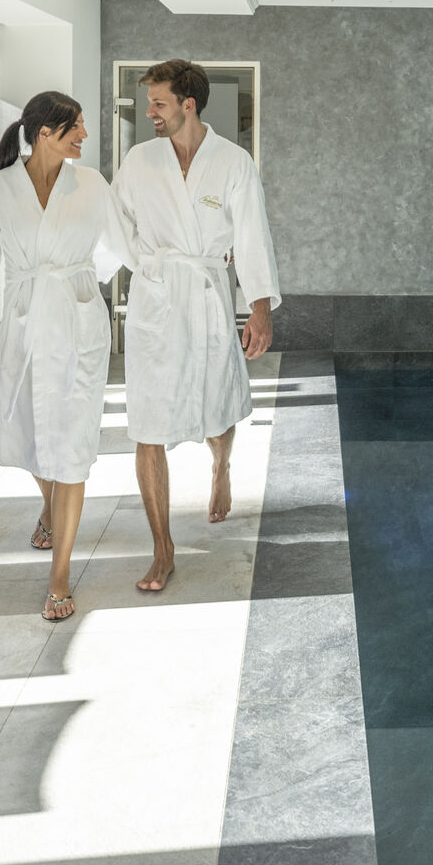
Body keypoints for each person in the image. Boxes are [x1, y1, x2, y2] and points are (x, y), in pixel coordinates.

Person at [0, 91, 129, 622]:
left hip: (79, 325)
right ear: (45, 133)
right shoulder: (0, 189)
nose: (85, 136)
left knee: (71, 449)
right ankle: (50, 508)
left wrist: (80, 280)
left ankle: (59, 577)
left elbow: (120, 245)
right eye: (76, 127)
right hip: (25, 327)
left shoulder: (90, 184)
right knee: (28, 431)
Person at [113, 59, 281, 594]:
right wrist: (139, 267)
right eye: (150, 102)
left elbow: (251, 235)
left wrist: (260, 308)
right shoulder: (140, 160)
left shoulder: (232, 162)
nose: (150, 112)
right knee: (147, 424)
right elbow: (115, 226)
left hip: (208, 297)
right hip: (156, 299)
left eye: (159, 103)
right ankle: (163, 548)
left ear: (188, 105)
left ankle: (220, 466)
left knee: (217, 406)